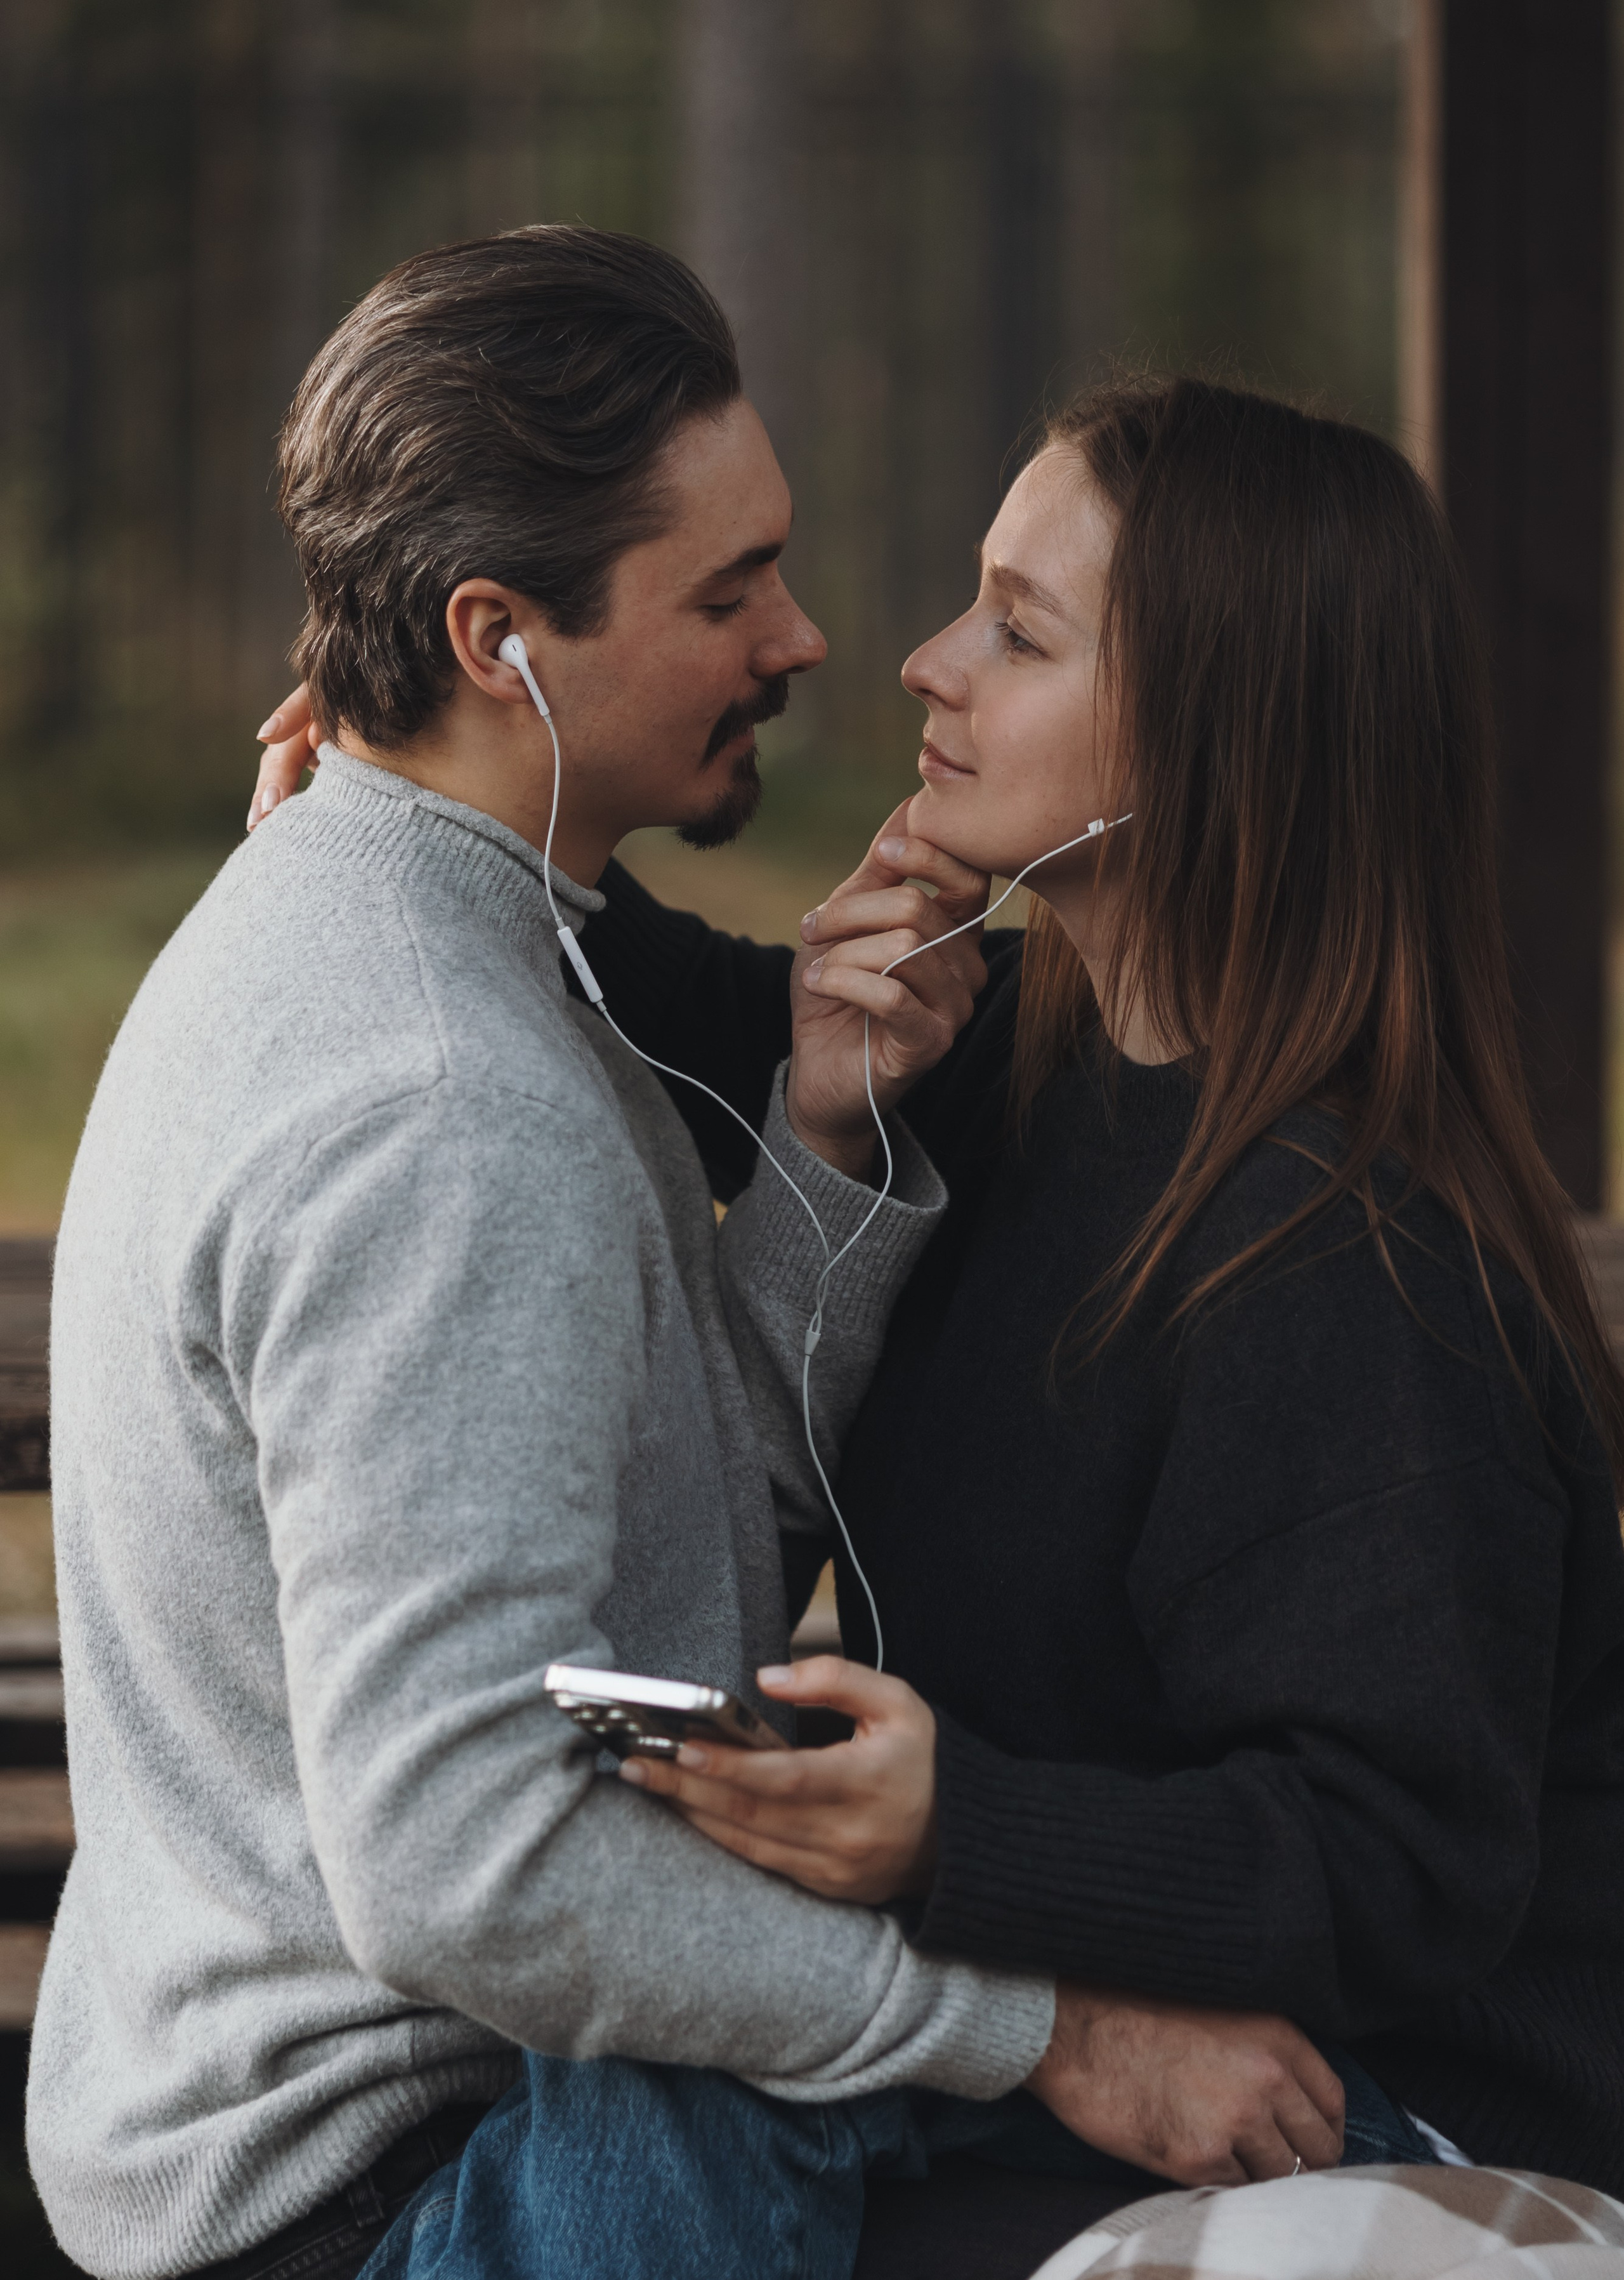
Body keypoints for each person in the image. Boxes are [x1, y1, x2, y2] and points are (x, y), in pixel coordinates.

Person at [33, 240, 1340, 2280]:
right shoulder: (446, 1105)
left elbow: (666, 1528)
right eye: (726, 594)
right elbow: (474, 1866)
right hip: (424, 2192)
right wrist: (1046, 2035)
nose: (814, 639)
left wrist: (820, 1143)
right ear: (501, 641)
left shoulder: (386, 920)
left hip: (371, 2120)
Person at [575, 377, 1624, 2211]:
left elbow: (1399, 1860)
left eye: (1018, 629)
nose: (924, 661)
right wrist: (416, 797)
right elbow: (718, 1023)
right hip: (1113, 2026)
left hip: (1365, 2126)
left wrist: (957, 1835)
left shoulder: (1351, 1267)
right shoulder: (1028, 1061)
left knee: (667, 2118)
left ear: (1218, 740)